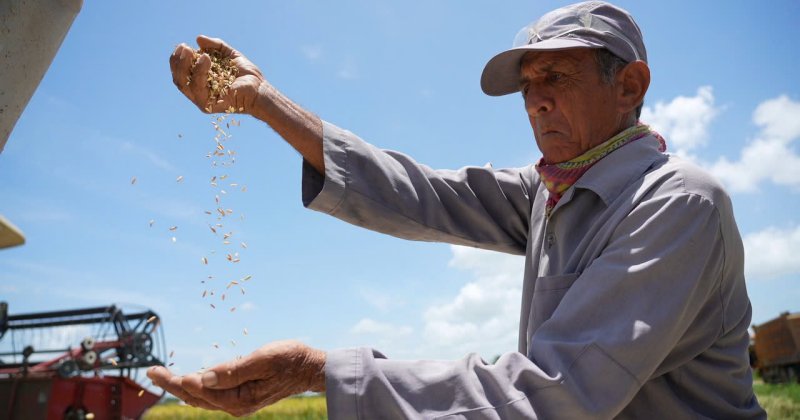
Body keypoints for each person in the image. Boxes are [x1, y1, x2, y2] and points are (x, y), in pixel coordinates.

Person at [148, 2, 766, 418]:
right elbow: (422, 194)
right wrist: (265, 104)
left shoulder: (676, 205)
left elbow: (553, 397)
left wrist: (318, 371)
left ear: (629, 86)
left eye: (556, 77)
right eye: (528, 86)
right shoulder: (549, 192)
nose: (536, 102)